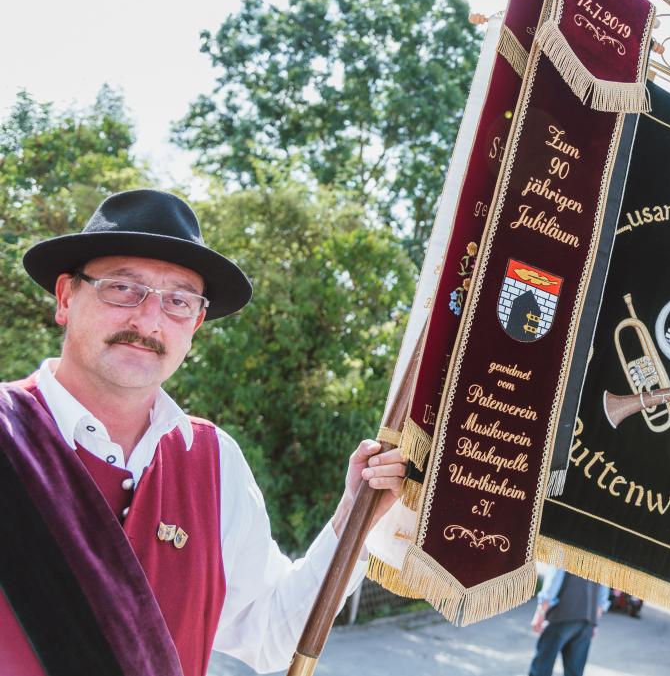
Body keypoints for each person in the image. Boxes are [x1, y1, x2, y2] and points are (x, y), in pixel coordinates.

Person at [0, 189, 410, 676]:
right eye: (123, 288)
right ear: (66, 297)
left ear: (195, 323)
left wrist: (354, 516)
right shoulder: (7, 431)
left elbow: (270, 634)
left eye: (177, 301)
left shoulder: (214, 460)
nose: (148, 319)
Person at [528, 566, 608, 676]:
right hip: (587, 620)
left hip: (562, 614)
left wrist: (541, 611)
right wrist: (595, 621)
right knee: (574, 672)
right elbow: (604, 591)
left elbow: (554, 578)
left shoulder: (565, 553)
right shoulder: (605, 556)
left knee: (541, 667)